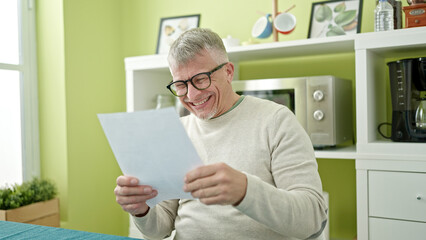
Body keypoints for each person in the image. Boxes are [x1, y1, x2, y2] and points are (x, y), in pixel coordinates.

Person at [114, 28, 328, 240]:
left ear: (228, 72)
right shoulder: (177, 131)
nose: (191, 95)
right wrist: (141, 210)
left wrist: (245, 191)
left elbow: (312, 221)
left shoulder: (276, 121)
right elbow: (159, 230)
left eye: (200, 79)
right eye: (180, 85)